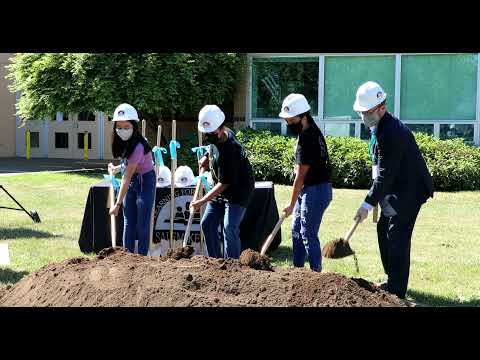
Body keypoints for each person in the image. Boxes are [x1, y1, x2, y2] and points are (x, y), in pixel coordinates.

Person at [353, 81, 434, 299]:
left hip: (410, 189)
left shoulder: (391, 132)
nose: (363, 116)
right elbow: (379, 169)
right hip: (394, 187)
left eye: (366, 112)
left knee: (397, 234)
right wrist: (376, 197)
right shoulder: (377, 127)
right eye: (361, 112)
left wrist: (367, 204)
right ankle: (392, 278)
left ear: (382, 108)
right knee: (383, 230)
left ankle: (396, 290)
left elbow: (385, 174)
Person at [190, 105, 255, 259]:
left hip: (238, 192)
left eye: (211, 133)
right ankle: (215, 262)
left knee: (230, 227)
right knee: (207, 224)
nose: (208, 136)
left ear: (220, 128)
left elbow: (224, 183)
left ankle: (233, 266)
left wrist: (202, 201)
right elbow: (213, 146)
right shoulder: (221, 134)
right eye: (206, 133)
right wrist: (206, 156)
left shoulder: (230, 149)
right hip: (222, 188)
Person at [279, 94, 332, 272]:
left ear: (303, 117)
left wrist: (291, 204)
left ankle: (316, 275)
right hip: (310, 189)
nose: (288, 124)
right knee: (296, 229)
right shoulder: (310, 130)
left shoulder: (308, 138)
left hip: (316, 191)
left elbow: (300, 177)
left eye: (291, 120)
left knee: (307, 233)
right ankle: (298, 270)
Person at [108, 103, 156, 256]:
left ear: (134, 126)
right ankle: (126, 258)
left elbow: (127, 177)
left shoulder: (139, 146)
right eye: (119, 127)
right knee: (129, 221)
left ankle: (141, 258)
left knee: (142, 223)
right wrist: (117, 168)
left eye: (126, 126)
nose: (122, 130)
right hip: (133, 179)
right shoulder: (124, 142)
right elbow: (128, 165)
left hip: (145, 182)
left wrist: (117, 204)